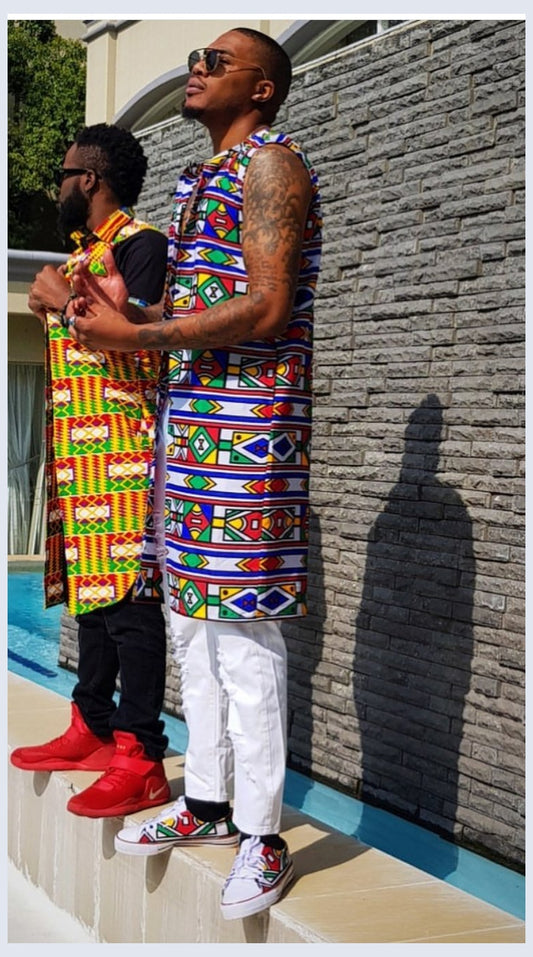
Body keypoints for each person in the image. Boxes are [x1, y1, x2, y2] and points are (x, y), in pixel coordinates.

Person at [70, 29, 322, 920]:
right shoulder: (199, 180)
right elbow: (191, 308)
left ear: (261, 89)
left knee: (243, 630)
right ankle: (209, 800)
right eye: (195, 59)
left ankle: (262, 831)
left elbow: (267, 304)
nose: (196, 69)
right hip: (192, 422)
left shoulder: (271, 165)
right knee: (189, 623)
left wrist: (138, 336)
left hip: (248, 425)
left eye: (216, 61)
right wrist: (120, 312)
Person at [10, 123, 172, 820]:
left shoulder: (143, 245)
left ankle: (141, 752)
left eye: (63, 174)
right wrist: (51, 301)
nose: (58, 187)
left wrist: (59, 303)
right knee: (93, 602)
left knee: (131, 605)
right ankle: (93, 726)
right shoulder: (86, 253)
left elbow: (142, 336)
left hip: (126, 451)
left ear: (90, 179)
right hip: (83, 455)